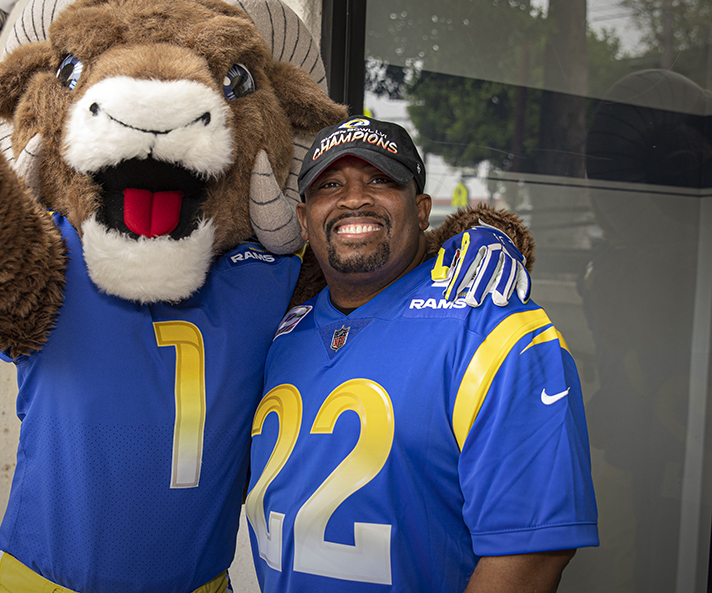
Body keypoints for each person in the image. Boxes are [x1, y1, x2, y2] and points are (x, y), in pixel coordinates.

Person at [246, 116, 598, 592]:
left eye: (380, 179)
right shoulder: (278, 331)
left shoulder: (495, 330)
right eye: (330, 184)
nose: (354, 198)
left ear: (421, 208)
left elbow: (531, 555)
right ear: (304, 219)